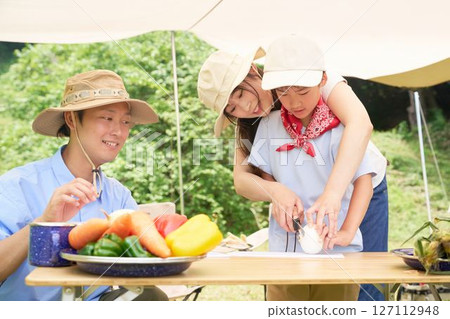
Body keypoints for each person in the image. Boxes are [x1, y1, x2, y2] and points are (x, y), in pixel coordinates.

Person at [197, 39, 388, 301]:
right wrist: (275, 191)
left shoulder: (308, 74)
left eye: (241, 95)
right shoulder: (255, 123)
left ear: (254, 71)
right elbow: (243, 179)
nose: (244, 109)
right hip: (306, 205)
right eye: (231, 108)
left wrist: (333, 194)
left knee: (363, 282)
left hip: (357, 184)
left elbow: (361, 125)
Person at [0, 70, 168, 301]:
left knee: (150, 298)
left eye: (126, 121)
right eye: (107, 118)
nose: (118, 131)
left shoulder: (118, 196)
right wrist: (45, 222)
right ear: (71, 119)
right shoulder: (18, 185)